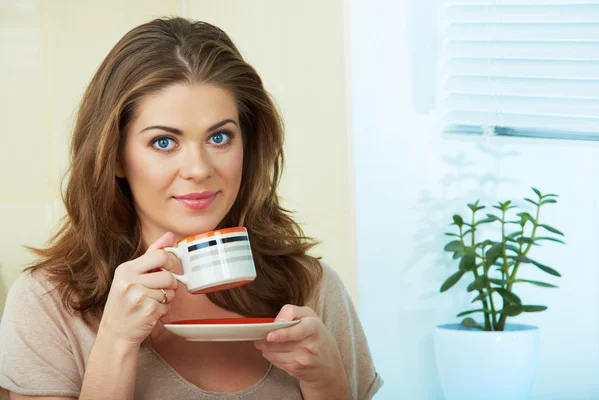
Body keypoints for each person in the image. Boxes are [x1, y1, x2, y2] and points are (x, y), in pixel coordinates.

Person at [0, 17, 382, 400]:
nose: (199, 169)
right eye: (164, 142)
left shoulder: (313, 288)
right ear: (115, 156)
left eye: (220, 137)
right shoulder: (47, 306)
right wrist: (115, 342)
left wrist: (327, 381)